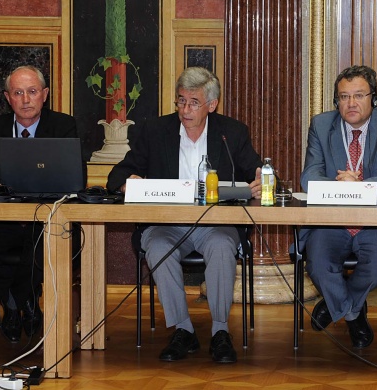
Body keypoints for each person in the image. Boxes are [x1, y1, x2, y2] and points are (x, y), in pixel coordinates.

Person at [106, 67, 263, 363]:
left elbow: (257, 172)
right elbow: (120, 173)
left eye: (193, 102)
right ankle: (183, 329)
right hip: (166, 224)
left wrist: (259, 182)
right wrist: (128, 182)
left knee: (221, 245)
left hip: (217, 224)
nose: (185, 109)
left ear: (211, 105)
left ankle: (220, 331)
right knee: (157, 246)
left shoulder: (232, 133)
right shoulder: (154, 130)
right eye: (181, 101)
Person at [298, 65, 377, 348]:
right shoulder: (322, 125)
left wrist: (358, 187)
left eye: (359, 95)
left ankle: (335, 303)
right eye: (343, 96)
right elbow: (309, 176)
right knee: (319, 263)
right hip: (332, 220)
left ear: (373, 98)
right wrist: (342, 187)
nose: (350, 103)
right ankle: (353, 312)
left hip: (376, 222)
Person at [0, 65, 79, 343]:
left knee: (38, 258)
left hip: (49, 221)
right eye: (18, 93)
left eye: (32, 92)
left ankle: (17, 305)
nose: (26, 99)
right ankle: (20, 304)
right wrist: (19, 169)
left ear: (45, 94)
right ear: (8, 97)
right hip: (4, 220)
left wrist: (6, 171)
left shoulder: (63, 125)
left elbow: (74, 175)